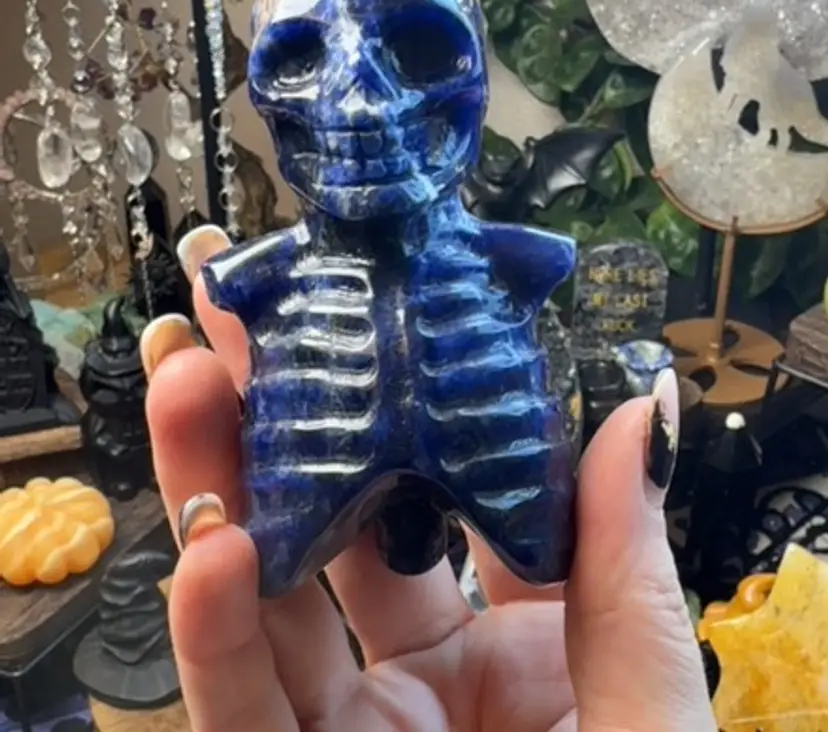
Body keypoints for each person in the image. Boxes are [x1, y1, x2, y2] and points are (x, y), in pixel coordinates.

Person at [140, 224, 717, 732]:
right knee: (255, 570)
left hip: (473, 459)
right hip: (336, 454)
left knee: (253, 571)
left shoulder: (489, 256)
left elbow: (547, 261)